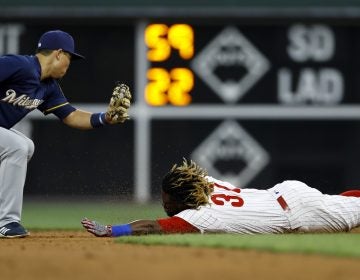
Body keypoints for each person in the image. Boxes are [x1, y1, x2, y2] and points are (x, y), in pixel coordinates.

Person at [0, 30, 131, 238]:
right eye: (69, 59)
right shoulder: (19, 65)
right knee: (16, 146)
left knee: (25, 146)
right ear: (59, 54)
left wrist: (105, 118)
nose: (68, 65)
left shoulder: (48, 87)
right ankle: (6, 222)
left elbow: (71, 116)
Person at [82, 159, 360, 237]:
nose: (164, 204)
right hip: (287, 194)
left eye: (167, 200)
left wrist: (112, 230)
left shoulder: (201, 215)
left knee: (347, 209)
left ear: (182, 200)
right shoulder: (208, 184)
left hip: (298, 213)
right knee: (340, 202)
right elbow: (187, 178)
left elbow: (154, 227)